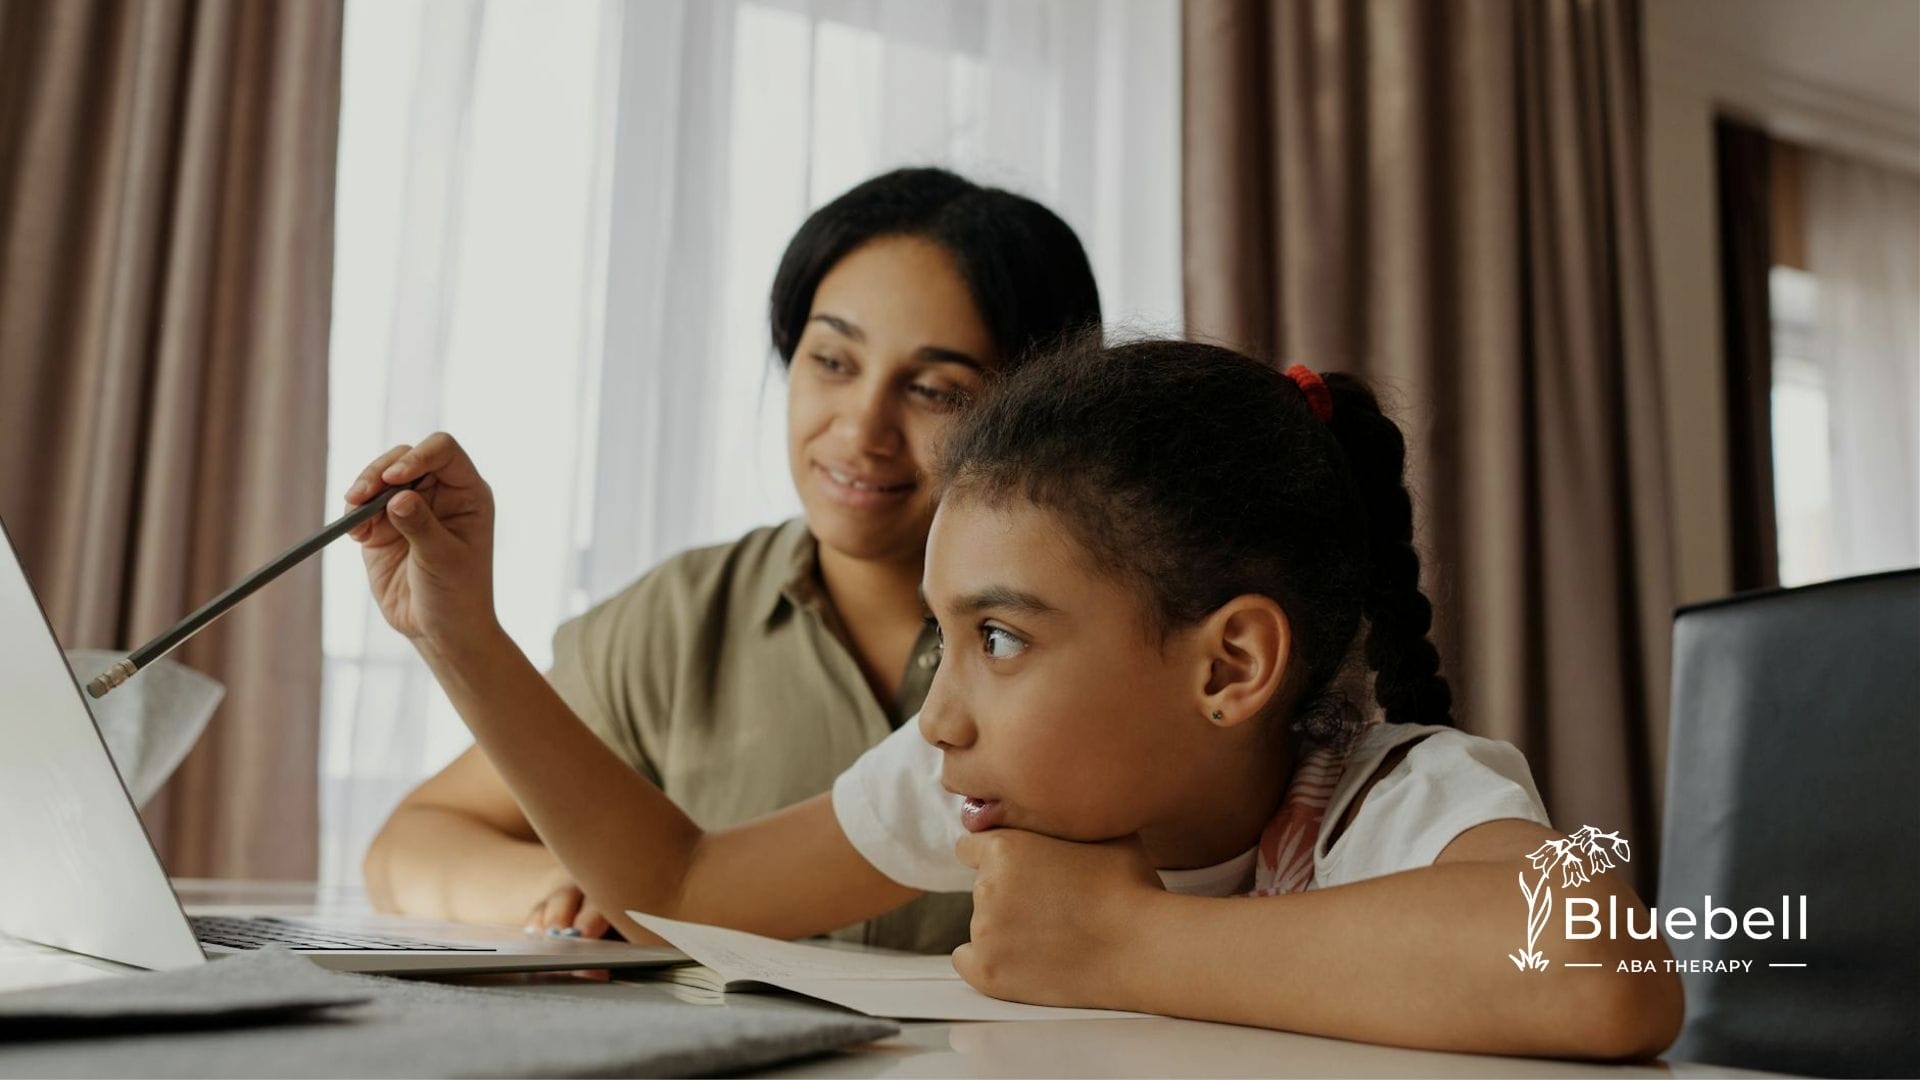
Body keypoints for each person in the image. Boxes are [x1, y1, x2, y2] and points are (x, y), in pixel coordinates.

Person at [347, 338, 1683, 1058]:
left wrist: (1123, 947)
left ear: (1230, 667)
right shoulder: (979, 785)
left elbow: (1605, 969)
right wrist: (458, 633)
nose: (938, 716)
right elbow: (684, 881)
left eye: (1000, 637)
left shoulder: (1397, 796)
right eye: (945, 638)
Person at [356, 167, 1100, 954]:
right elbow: (413, 844)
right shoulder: (680, 620)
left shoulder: (1090, 650)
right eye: (833, 363)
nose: (860, 431)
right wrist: (566, 888)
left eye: (935, 390)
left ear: (1038, 413)